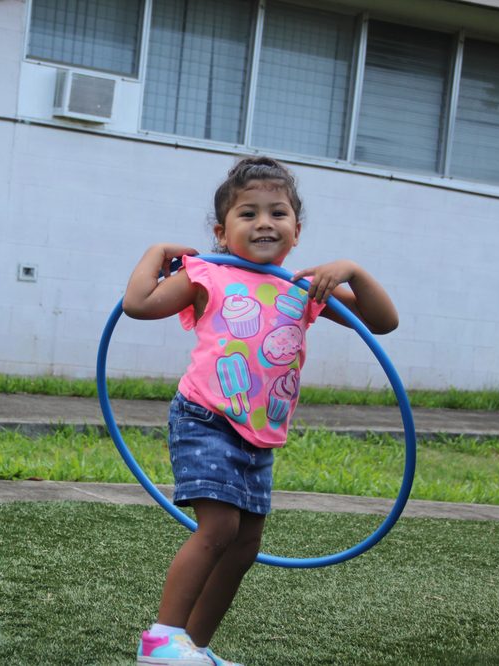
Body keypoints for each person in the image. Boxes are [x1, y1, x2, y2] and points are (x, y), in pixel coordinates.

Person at [123, 156, 398, 665]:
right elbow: (138, 304)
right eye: (248, 214)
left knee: (246, 544)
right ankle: (162, 638)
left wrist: (355, 272)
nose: (265, 222)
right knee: (220, 528)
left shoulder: (305, 288)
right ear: (221, 233)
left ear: (296, 231)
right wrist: (157, 252)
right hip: (205, 416)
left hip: (259, 433)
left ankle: (195, 649)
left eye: (278, 213)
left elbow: (383, 323)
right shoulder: (206, 274)